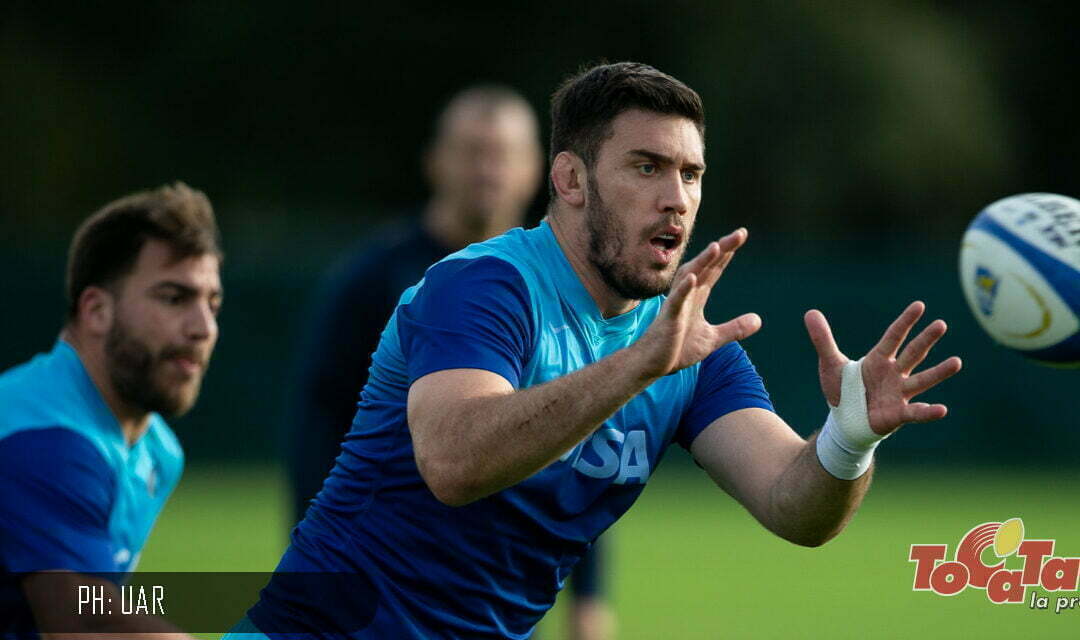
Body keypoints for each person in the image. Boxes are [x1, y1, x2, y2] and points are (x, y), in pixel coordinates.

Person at [230, 62, 962, 639]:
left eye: (692, 174)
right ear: (571, 180)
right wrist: (635, 367)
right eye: (647, 167)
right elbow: (453, 463)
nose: (676, 197)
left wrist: (849, 438)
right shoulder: (483, 286)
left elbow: (791, 507)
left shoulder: (689, 344)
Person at [286, 84, 613, 639]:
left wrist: (589, 596)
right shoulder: (373, 279)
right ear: (435, 162)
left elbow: (582, 445)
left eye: (503, 154)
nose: (487, 170)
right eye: (471, 152)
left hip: (501, 589)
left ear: (540, 168)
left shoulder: (567, 291)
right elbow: (319, 420)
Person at [0, 183, 223, 636]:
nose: (203, 327)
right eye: (174, 298)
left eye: (212, 303)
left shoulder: (156, 450)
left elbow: (103, 602)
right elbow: (84, 625)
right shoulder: (44, 440)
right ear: (97, 311)